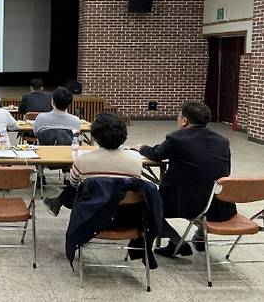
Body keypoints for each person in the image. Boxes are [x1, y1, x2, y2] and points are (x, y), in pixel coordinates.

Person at [135, 101, 236, 258]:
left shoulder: (177, 139)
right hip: (219, 204)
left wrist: (141, 147)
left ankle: (176, 241)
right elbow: (225, 172)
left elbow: (156, 154)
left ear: (184, 121)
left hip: (186, 203)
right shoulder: (222, 140)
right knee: (205, 185)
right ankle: (200, 237)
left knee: (145, 206)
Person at [44, 112, 143, 216]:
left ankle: (57, 202)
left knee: (74, 188)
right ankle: (56, 202)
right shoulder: (136, 161)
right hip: (124, 216)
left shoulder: (82, 161)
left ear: (94, 137)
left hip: (91, 217)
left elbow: (73, 185)